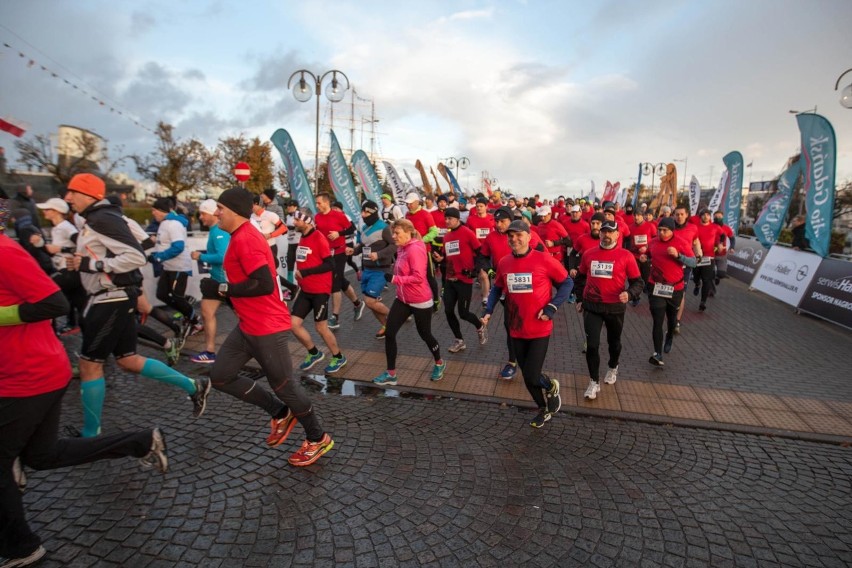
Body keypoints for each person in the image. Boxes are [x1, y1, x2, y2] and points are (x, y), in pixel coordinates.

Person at [0, 206, 168, 568]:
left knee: (104, 363)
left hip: (29, 373)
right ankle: (140, 441)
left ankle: (20, 545)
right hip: (37, 366)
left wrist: (93, 268)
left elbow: (55, 300)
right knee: (43, 456)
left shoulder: (7, 250)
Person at [63, 174, 209, 437]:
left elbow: (136, 254)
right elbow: (144, 243)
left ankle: (90, 434)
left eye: (72, 192)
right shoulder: (113, 217)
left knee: (89, 365)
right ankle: (193, 385)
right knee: (128, 360)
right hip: (116, 294)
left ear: (89, 195)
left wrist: (92, 265)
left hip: (111, 298)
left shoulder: (101, 219)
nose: (68, 198)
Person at [205, 187, 333, 467]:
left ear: (235, 211)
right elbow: (269, 267)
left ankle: (317, 437)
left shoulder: (246, 239)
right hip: (248, 325)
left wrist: (223, 289)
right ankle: (279, 412)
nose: (216, 213)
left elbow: (262, 283)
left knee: (285, 387)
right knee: (221, 376)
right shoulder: (240, 236)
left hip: (267, 327)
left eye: (220, 209)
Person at [482, 220, 573, 427]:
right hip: (515, 327)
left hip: (539, 327)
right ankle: (543, 408)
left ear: (529, 236)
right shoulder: (504, 262)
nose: (514, 239)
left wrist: (552, 307)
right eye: (510, 236)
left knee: (532, 374)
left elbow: (567, 283)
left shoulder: (544, 260)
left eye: (518, 235)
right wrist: (488, 310)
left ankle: (550, 386)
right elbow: (497, 288)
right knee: (527, 376)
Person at [574, 219, 644, 400]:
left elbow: (638, 282)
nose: (606, 235)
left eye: (610, 232)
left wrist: (629, 294)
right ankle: (593, 382)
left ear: (617, 235)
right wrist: (580, 299)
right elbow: (580, 278)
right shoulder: (589, 254)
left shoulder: (626, 255)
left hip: (614, 307)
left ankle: (613, 366)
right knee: (592, 345)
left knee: (614, 343)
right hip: (592, 306)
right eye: (603, 231)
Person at [372, 219, 446, 385]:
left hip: (420, 300)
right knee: (390, 333)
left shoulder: (414, 249)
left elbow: (419, 277)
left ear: (408, 232)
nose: (394, 236)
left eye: (397, 233)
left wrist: (394, 279)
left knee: (425, 334)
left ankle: (439, 363)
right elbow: (400, 268)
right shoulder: (402, 248)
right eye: (393, 233)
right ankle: (391, 374)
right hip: (403, 299)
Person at [289, 210, 348, 375]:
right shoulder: (304, 236)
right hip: (306, 289)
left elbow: (330, 264)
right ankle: (314, 353)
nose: (294, 222)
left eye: (297, 220)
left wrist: (306, 273)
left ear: (306, 222)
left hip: (320, 290)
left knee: (321, 328)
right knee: (293, 324)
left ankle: (338, 357)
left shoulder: (318, 237)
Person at [433, 207, 488, 353]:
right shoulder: (446, 237)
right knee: (448, 311)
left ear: (457, 219)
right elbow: (448, 258)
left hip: (464, 280)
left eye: (450, 218)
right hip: (450, 280)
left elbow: (480, 253)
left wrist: (475, 271)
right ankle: (459, 340)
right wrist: (440, 259)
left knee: (463, 313)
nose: (447, 221)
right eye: (446, 218)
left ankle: (480, 326)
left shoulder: (467, 233)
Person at [148, 197, 200, 343]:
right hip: (168, 266)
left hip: (179, 266)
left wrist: (159, 257)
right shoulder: (164, 223)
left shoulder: (174, 224)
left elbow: (178, 247)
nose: (152, 213)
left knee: (176, 297)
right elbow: (163, 243)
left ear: (161, 210)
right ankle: (186, 307)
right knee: (162, 294)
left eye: (154, 210)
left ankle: (195, 321)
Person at [645, 217, 696, 366]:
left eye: (664, 230)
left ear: (672, 231)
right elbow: (649, 254)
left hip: (675, 288)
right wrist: (644, 256)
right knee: (657, 320)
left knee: (672, 318)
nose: (661, 233)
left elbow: (693, 262)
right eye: (659, 230)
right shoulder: (653, 242)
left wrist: (679, 256)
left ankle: (670, 336)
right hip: (656, 286)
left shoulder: (681, 243)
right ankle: (657, 353)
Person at [32, 197, 85, 332]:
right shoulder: (57, 228)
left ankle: (52, 334)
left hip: (69, 271)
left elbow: (83, 244)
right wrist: (41, 245)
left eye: (47, 209)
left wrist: (62, 250)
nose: (44, 211)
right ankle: (78, 328)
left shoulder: (66, 227)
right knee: (80, 304)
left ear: (56, 211)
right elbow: (54, 252)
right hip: (65, 270)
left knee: (45, 294)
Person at [314, 192, 364, 330]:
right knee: (341, 281)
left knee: (334, 284)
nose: (317, 206)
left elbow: (352, 229)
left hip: (339, 252)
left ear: (326, 202)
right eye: (316, 203)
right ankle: (357, 303)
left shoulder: (339, 215)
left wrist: (339, 233)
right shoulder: (317, 217)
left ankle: (335, 317)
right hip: (325, 254)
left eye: (319, 203)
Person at [190, 199, 231, 364]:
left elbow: (223, 257)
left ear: (213, 213)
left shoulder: (219, 232)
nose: (200, 217)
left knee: (245, 318)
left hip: (225, 282)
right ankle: (210, 351)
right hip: (216, 280)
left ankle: (259, 345)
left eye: (203, 213)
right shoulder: (216, 230)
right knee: (206, 312)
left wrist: (201, 256)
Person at [348, 200, 396, 339]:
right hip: (367, 270)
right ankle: (386, 326)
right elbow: (363, 246)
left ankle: (397, 316)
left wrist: (379, 254)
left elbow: (394, 246)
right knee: (371, 303)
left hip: (381, 270)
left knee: (369, 301)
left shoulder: (384, 227)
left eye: (366, 212)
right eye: (362, 212)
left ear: (373, 212)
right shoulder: (364, 228)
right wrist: (354, 251)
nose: (363, 215)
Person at [693, 208, 726, 312]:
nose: (706, 216)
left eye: (708, 215)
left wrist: (720, 244)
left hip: (709, 257)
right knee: (696, 276)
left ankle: (703, 302)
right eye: (703, 215)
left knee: (706, 280)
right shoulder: (695, 227)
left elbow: (723, 235)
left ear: (710, 216)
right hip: (697, 257)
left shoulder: (715, 227)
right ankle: (697, 284)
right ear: (700, 216)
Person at [466, 197, 495, 304]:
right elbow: (467, 234)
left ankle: (486, 297)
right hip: (476, 250)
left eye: (481, 206)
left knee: (484, 273)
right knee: (481, 274)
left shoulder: (492, 218)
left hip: (489, 249)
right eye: (477, 206)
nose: (479, 208)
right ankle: (487, 291)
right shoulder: (471, 220)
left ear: (486, 207)